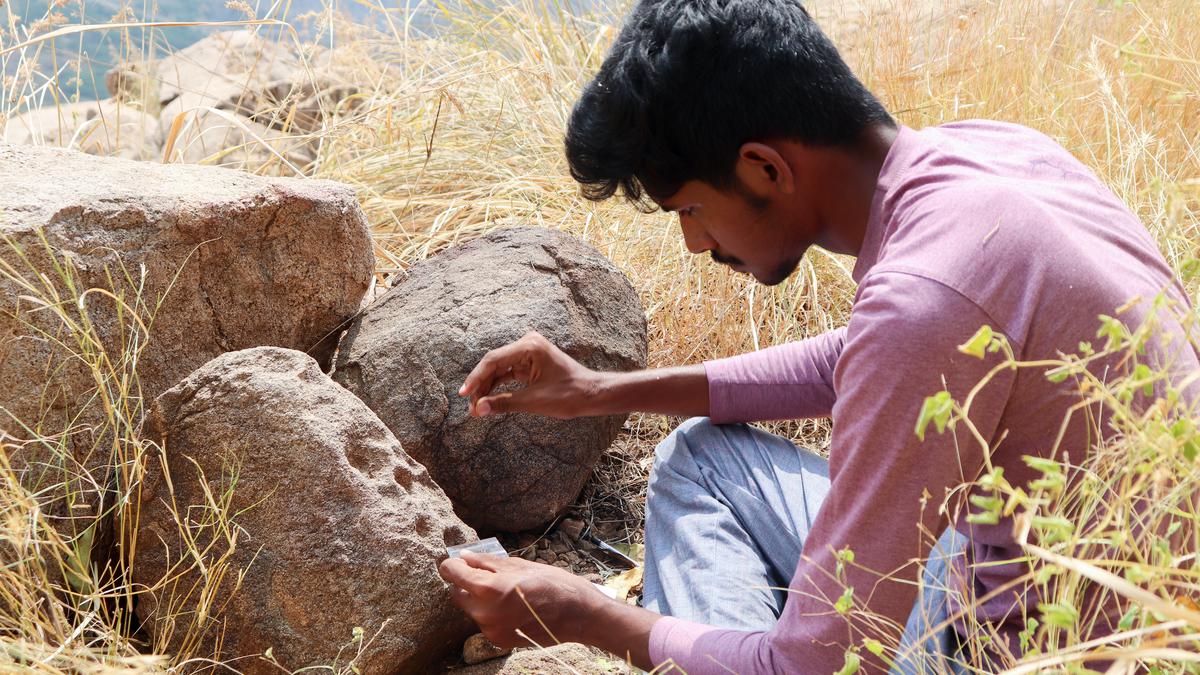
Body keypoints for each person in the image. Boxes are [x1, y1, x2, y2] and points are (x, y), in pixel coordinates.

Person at [438, 0, 1198, 672]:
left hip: (1036, 653)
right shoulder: (993, 156)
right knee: (701, 455)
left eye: (692, 211)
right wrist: (605, 391)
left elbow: (820, 664)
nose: (693, 246)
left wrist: (579, 613)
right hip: (1092, 592)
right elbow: (869, 354)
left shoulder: (923, 303)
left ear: (765, 168)